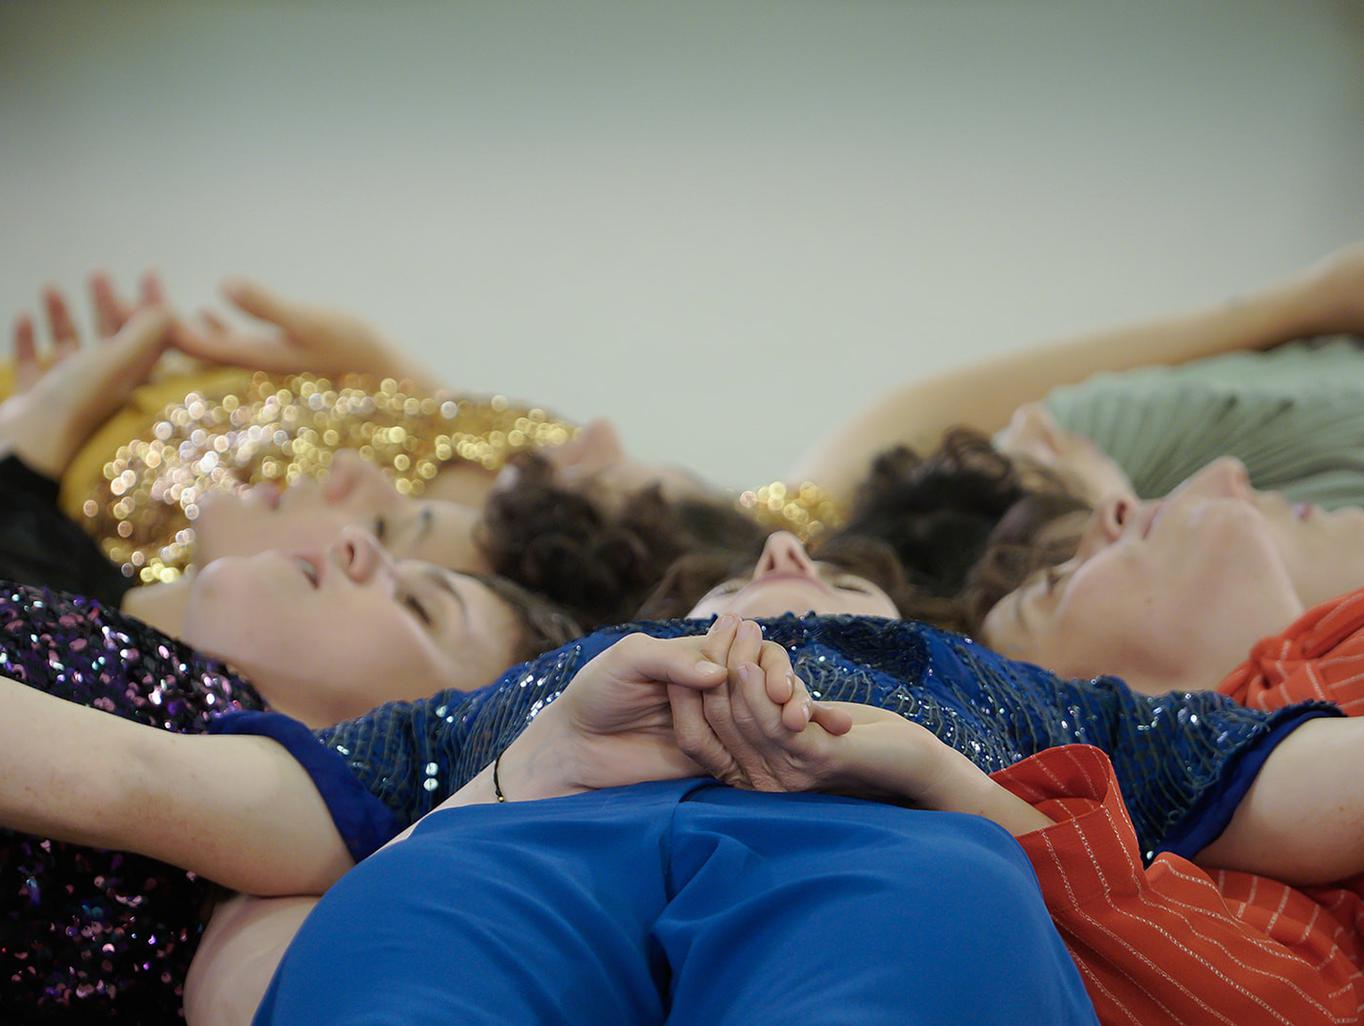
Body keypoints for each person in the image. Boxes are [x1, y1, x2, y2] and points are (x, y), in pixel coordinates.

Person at [3, 525, 1359, 1022]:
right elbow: (244, 802)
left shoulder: (1009, 690)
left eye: (838, 574)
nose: (782, 556)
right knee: (397, 954)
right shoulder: (513, 697)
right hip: (517, 835)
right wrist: (510, 773)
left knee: (941, 923)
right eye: (734, 574)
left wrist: (923, 763)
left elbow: (1302, 782)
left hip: (878, 836)